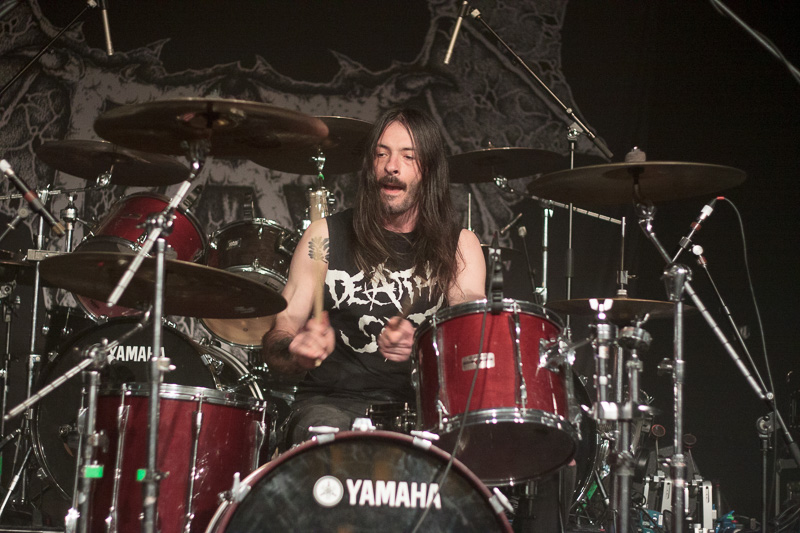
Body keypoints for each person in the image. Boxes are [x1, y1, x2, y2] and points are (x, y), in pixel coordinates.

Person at [259, 107, 486, 448]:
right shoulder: (324, 236)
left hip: (422, 409)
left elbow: (472, 336)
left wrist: (423, 347)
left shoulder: (459, 245)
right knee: (335, 442)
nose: (391, 166)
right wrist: (296, 350)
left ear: (430, 170)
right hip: (330, 404)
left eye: (408, 156)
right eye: (382, 154)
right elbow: (281, 333)